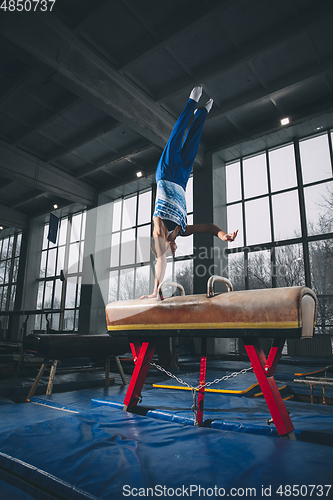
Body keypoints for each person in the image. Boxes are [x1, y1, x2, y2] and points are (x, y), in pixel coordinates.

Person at [139, 86, 238, 299]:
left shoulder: (159, 230)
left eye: (166, 250)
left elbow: (161, 261)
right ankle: (203, 113)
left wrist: (156, 291)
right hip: (182, 180)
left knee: (177, 135)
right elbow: (209, 227)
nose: (171, 251)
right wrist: (224, 235)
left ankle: (192, 102)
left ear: (162, 246)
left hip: (165, 174)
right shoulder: (182, 229)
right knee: (192, 144)